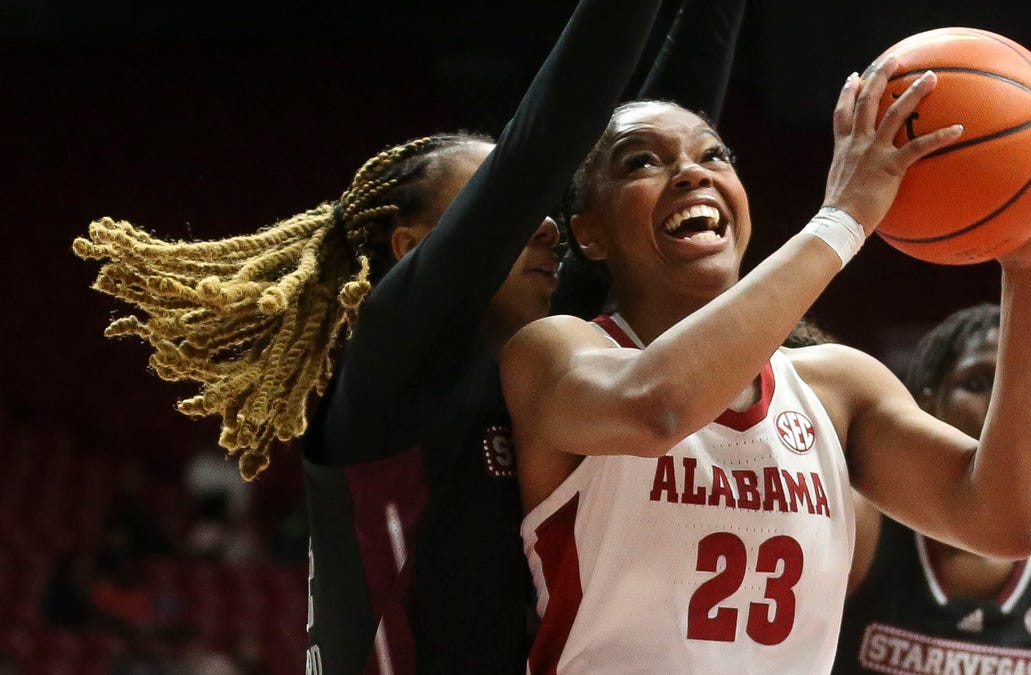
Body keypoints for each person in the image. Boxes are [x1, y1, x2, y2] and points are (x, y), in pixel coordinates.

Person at [73, 1, 745, 672]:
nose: (546, 227)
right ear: (414, 247)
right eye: (504, 210)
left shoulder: (543, 356)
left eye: (547, 214)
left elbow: (650, 177)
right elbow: (542, 142)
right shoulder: (392, 358)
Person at [501, 57, 1031, 672]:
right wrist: (842, 220)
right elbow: (659, 407)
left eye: (714, 155)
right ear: (588, 233)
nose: (689, 173)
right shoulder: (556, 352)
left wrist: (1028, 272)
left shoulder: (838, 387)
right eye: (640, 161)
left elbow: (1005, 522)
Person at [834, 304, 1031, 675]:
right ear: (926, 406)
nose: (1003, 405)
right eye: (976, 383)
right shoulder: (860, 526)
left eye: (1030, 390)